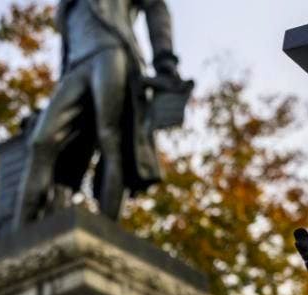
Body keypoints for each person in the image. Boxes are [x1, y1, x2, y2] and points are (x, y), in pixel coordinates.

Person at [13, 0, 182, 228]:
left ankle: (107, 229)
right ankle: (20, 235)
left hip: (112, 51)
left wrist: (164, 59)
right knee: (41, 142)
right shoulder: (67, 6)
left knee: (110, 139)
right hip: (75, 67)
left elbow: (156, 6)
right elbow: (69, 44)